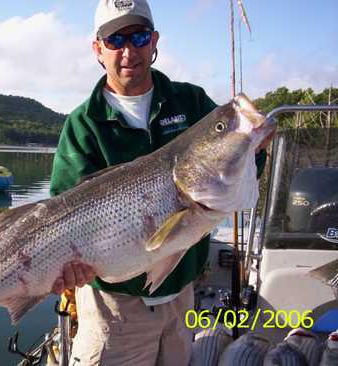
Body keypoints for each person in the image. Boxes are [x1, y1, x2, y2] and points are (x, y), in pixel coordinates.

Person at [49, 1, 268, 365]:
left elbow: (243, 165)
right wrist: (69, 269)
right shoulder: (83, 125)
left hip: (182, 294)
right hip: (115, 308)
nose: (129, 50)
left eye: (138, 36)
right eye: (115, 39)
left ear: (154, 42)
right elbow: (61, 207)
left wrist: (252, 145)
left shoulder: (191, 101)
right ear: (97, 49)